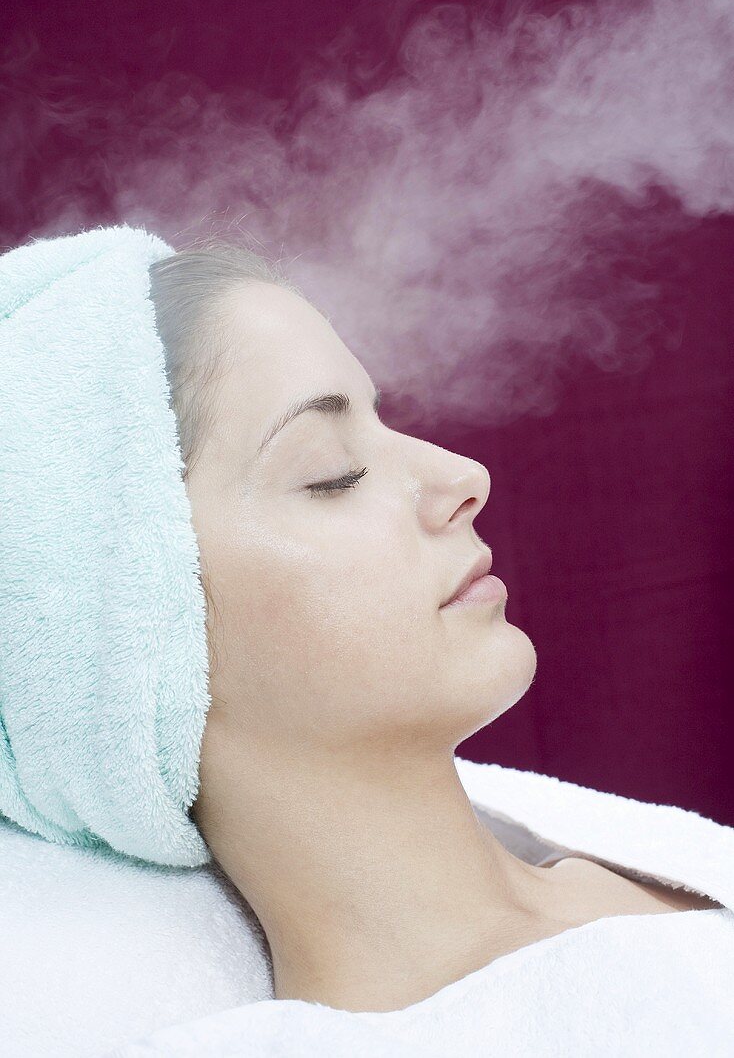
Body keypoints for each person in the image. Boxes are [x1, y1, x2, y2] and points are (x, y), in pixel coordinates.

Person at [147, 241, 721, 1016]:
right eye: (332, 473)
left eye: (385, 424)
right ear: (134, 633)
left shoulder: (636, 875)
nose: (464, 477)